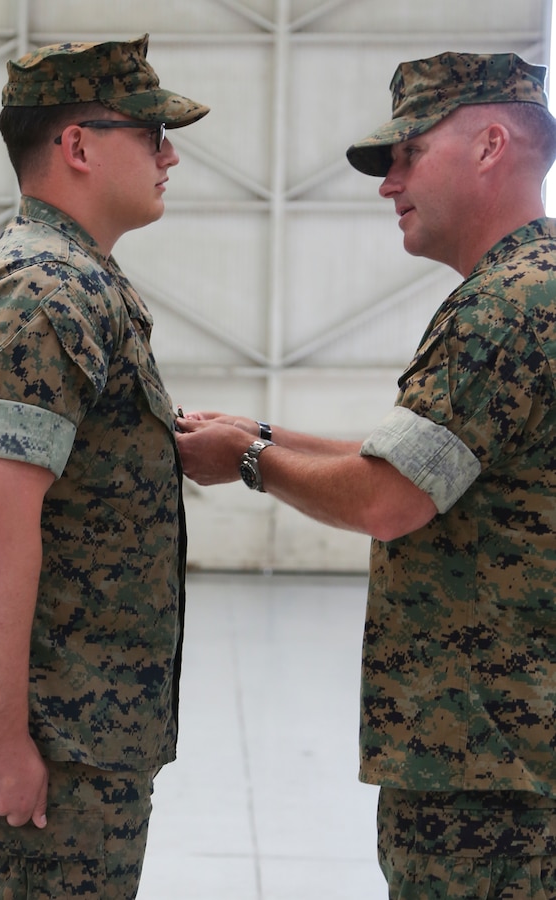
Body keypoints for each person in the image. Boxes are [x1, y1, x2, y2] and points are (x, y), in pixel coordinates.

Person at [175, 51, 556, 898]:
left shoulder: (505, 307)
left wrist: (245, 461)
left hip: (489, 768)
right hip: (512, 749)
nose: (388, 183)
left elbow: (388, 499)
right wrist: (263, 432)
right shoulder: (532, 287)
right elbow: (414, 461)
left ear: (491, 143)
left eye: (407, 154)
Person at [0, 36, 208, 899]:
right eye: (149, 132)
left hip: (85, 724)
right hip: (55, 731)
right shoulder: (46, 291)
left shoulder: (81, 279)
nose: (169, 153)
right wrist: (0, 737)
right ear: (77, 145)